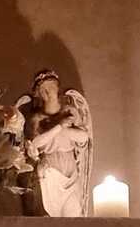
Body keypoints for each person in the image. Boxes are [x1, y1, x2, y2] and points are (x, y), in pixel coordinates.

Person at [23, 70, 93, 218]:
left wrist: (63, 129)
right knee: (52, 215)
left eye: (51, 88)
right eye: (43, 90)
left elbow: (83, 137)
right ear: (39, 94)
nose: (48, 93)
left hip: (70, 171)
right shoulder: (37, 119)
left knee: (73, 214)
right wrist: (60, 126)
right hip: (50, 172)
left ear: (57, 88)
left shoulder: (70, 111)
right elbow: (35, 144)